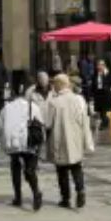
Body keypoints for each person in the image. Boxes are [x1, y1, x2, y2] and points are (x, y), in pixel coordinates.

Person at [41, 73, 94, 209]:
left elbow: (47, 123)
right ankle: (80, 190)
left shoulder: (54, 102)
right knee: (76, 166)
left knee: (62, 170)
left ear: (58, 86)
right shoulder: (78, 100)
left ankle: (65, 198)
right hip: (75, 139)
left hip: (59, 139)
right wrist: (87, 141)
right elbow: (84, 121)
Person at [0, 83, 44, 210]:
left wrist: (4, 143)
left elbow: (0, 125)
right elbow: (41, 124)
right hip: (29, 142)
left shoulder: (6, 108)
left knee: (15, 168)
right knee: (30, 170)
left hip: (13, 143)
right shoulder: (33, 106)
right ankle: (36, 192)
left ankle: (18, 197)